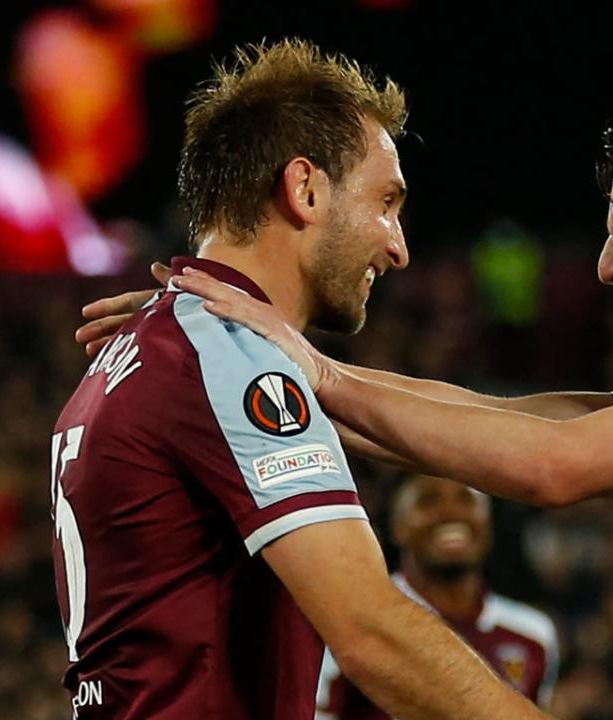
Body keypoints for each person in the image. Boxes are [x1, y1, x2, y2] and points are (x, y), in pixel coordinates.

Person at [79, 79, 613, 719]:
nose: (610, 266)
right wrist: (241, 353)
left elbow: (553, 465)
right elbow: (547, 421)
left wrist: (311, 372)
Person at [52, 39, 552, 720]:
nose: (398, 246)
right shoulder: (225, 351)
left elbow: (429, 422)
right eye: (386, 202)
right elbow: (373, 635)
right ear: (306, 188)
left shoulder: (159, 347)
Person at [316, 473, 559, 719]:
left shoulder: (532, 634)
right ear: (397, 527)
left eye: (466, 500)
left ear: (489, 522)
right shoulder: (356, 619)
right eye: (428, 501)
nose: (450, 513)